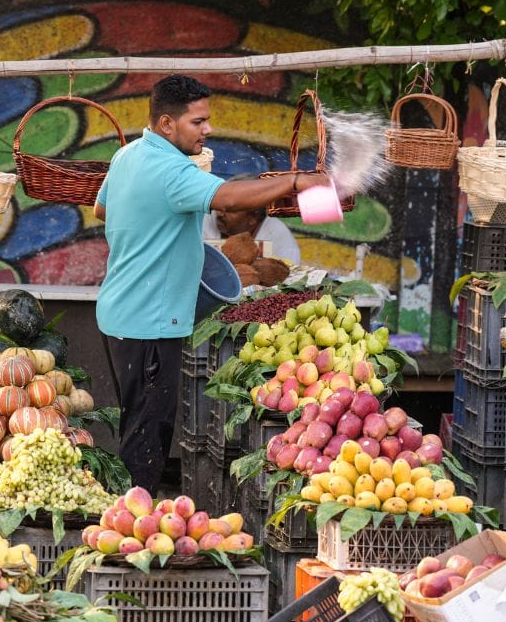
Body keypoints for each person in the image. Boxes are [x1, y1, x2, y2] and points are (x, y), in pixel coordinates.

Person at [94, 74, 330, 492]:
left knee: (138, 421)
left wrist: (155, 235)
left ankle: (128, 514)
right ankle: (131, 530)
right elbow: (231, 198)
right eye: (197, 122)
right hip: (150, 322)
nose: (207, 130)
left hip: (120, 313)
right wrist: (295, 182)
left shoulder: (127, 156)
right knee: (147, 437)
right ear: (167, 124)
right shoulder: (170, 170)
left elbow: (101, 210)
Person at [202, 173, 302, 265]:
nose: (219, 213)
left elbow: (290, 276)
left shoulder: (279, 236)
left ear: (253, 218)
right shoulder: (203, 219)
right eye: (220, 205)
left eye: (229, 209)